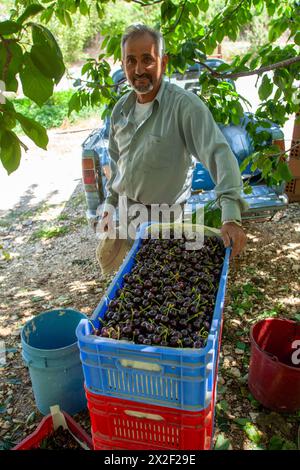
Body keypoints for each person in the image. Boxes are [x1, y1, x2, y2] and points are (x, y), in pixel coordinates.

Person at [97, 24, 247, 273]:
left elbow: (219, 153)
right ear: (123, 66)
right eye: (131, 61)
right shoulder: (120, 110)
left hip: (165, 224)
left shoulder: (185, 107)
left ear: (163, 62)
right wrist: (109, 207)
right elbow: (115, 165)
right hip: (125, 221)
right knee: (125, 291)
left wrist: (230, 216)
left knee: (161, 287)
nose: (139, 69)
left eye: (147, 59)